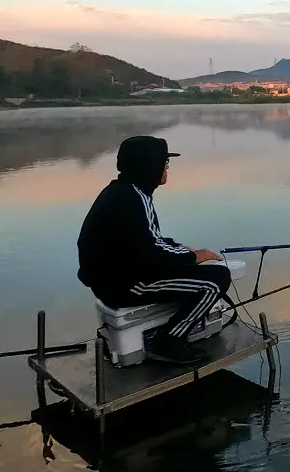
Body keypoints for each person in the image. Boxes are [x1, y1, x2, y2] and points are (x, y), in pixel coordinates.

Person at [78, 136, 230, 365]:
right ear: (149, 167)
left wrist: (180, 249)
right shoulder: (133, 199)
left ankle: (171, 334)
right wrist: (194, 256)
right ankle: (169, 341)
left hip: (115, 279)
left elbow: (147, 241)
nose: (167, 170)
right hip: (126, 285)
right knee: (215, 281)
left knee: (196, 271)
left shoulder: (122, 192)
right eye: (164, 164)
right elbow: (151, 255)